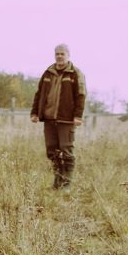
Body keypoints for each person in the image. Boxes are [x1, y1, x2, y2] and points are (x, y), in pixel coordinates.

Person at [30, 44, 86, 189]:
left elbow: (81, 95)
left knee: (66, 151)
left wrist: (78, 116)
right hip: (48, 119)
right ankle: (57, 181)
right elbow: (39, 93)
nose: (59, 56)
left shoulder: (75, 73)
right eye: (57, 54)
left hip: (66, 119)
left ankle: (66, 184)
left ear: (68, 55)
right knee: (52, 151)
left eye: (62, 54)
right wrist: (35, 112)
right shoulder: (48, 72)